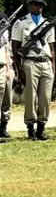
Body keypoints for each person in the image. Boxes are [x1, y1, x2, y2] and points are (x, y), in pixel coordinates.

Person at [10, 0, 56, 141]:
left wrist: (53, 66)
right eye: (36, 5)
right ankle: (31, 128)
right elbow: (15, 48)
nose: (39, 8)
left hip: (45, 63)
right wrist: (19, 69)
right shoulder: (21, 23)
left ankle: (41, 128)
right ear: (29, 6)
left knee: (46, 97)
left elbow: (51, 47)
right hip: (29, 62)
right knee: (30, 97)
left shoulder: (47, 23)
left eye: (41, 5)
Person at [0, 8, 11, 142]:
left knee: (6, 99)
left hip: (3, 64)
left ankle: (3, 127)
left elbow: (6, 47)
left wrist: (9, 69)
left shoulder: (3, 18)